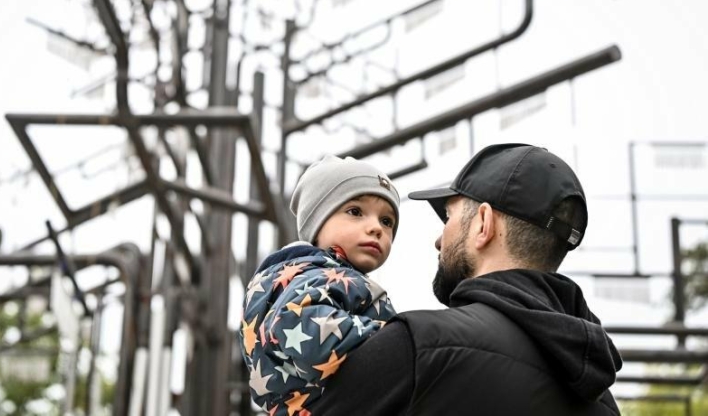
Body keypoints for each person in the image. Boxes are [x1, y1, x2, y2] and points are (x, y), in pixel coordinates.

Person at [312, 143, 623, 416]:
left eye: (448, 218)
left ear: (483, 224)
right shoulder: (601, 398)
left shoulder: (417, 348)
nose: (438, 240)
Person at [239, 155, 401, 415]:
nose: (376, 228)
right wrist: (397, 338)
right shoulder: (320, 277)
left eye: (387, 221)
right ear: (318, 221)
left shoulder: (309, 278)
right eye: (355, 212)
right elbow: (301, 326)